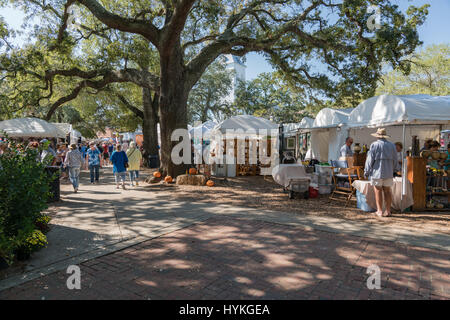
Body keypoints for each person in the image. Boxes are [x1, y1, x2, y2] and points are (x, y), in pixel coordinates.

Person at [364, 128, 399, 218]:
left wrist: (366, 171)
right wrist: (395, 170)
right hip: (388, 171)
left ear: (377, 136)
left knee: (378, 190)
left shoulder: (374, 145)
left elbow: (369, 160)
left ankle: (379, 211)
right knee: (387, 191)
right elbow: (395, 159)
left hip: (377, 172)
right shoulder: (392, 145)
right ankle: (388, 211)